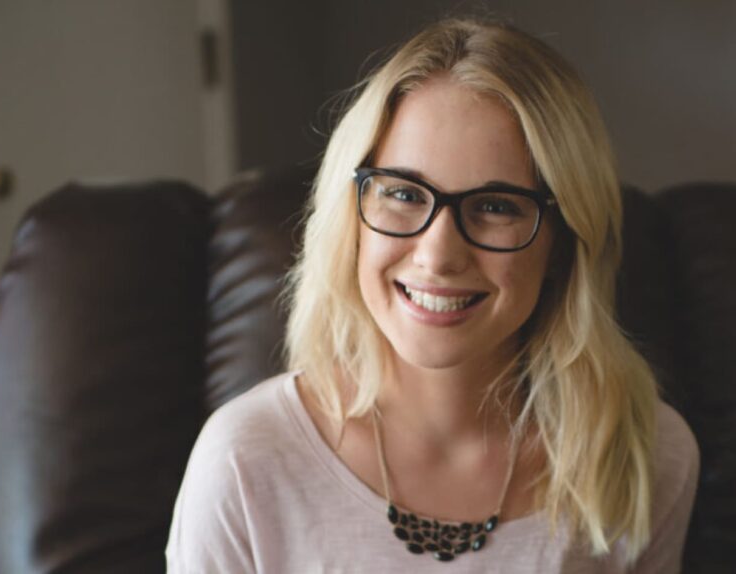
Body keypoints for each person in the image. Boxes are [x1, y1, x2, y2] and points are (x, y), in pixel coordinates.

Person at [166, 17, 699, 573]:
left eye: (496, 205)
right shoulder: (243, 460)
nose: (438, 254)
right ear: (351, 219)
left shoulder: (646, 455)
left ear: (562, 245)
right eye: (402, 192)